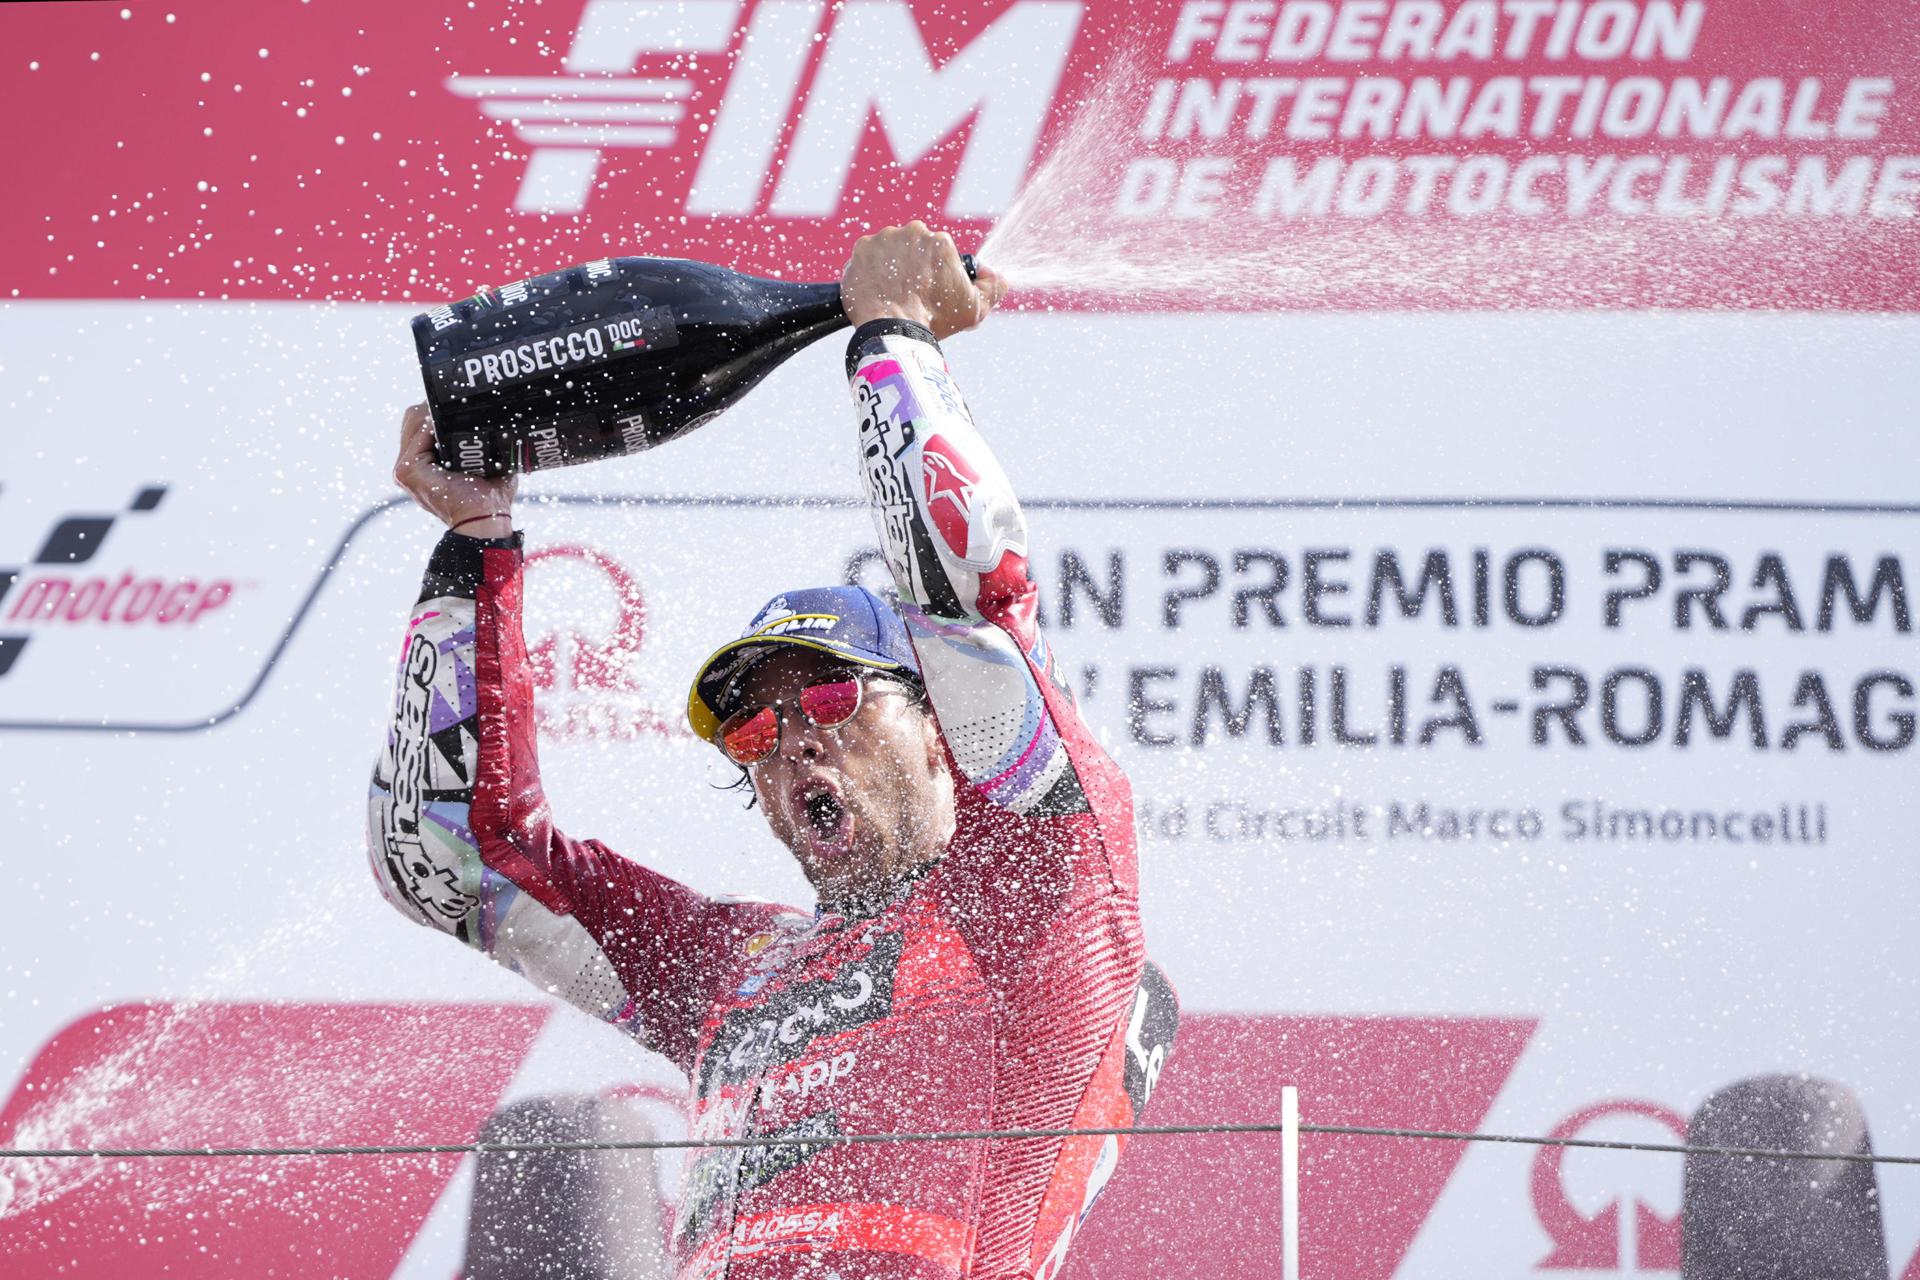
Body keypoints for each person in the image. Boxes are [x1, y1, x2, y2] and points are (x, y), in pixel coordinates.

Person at [367, 223, 1177, 1280]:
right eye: (753, 730)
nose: (793, 743)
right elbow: (452, 861)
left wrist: (892, 338)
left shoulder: (1035, 894)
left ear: (939, 727)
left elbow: (975, 607)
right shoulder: (731, 968)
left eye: (833, 696)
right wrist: (476, 542)